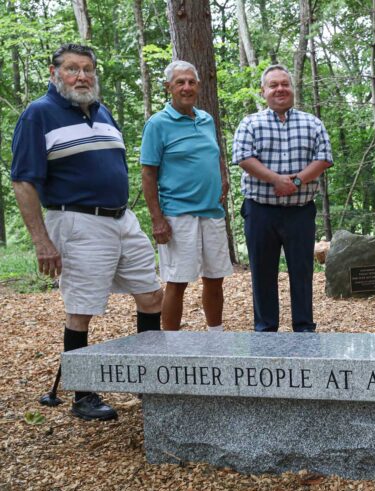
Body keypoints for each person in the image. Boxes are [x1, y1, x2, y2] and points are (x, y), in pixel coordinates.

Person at [11, 43, 163, 421]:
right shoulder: (38, 114)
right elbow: (23, 182)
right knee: (81, 310)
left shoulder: (101, 111)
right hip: (77, 220)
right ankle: (82, 395)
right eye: (72, 69)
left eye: (87, 69)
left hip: (122, 219)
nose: (81, 76)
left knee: (151, 296)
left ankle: (149, 382)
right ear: (54, 73)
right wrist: (41, 241)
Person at [232, 64, 333, 332]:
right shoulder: (250, 123)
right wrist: (275, 180)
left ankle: (304, 329)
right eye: (274, 85)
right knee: (262, 274)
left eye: (285, 84)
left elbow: (324, 158)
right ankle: (265, 330)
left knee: (302, 273)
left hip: (300, 212)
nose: (280, 89)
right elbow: (243, 157)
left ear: (292, 89)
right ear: (263, 91)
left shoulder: (312, 123)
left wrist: (296, 181)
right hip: (260, 211)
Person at [140, 60, 232, 332]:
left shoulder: (206, 119)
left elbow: (214, 153)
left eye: (191, 82)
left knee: (215, 279)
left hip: (212, 213)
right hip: (177, 214)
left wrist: (222, 176)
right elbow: (148, 174)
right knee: (177, 282)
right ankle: (172, 344)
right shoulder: (157, 124)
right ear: (169, 87)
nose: (186, 87)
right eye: (180, 82)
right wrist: (157, 219)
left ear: (199, 87)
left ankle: (216, 339)